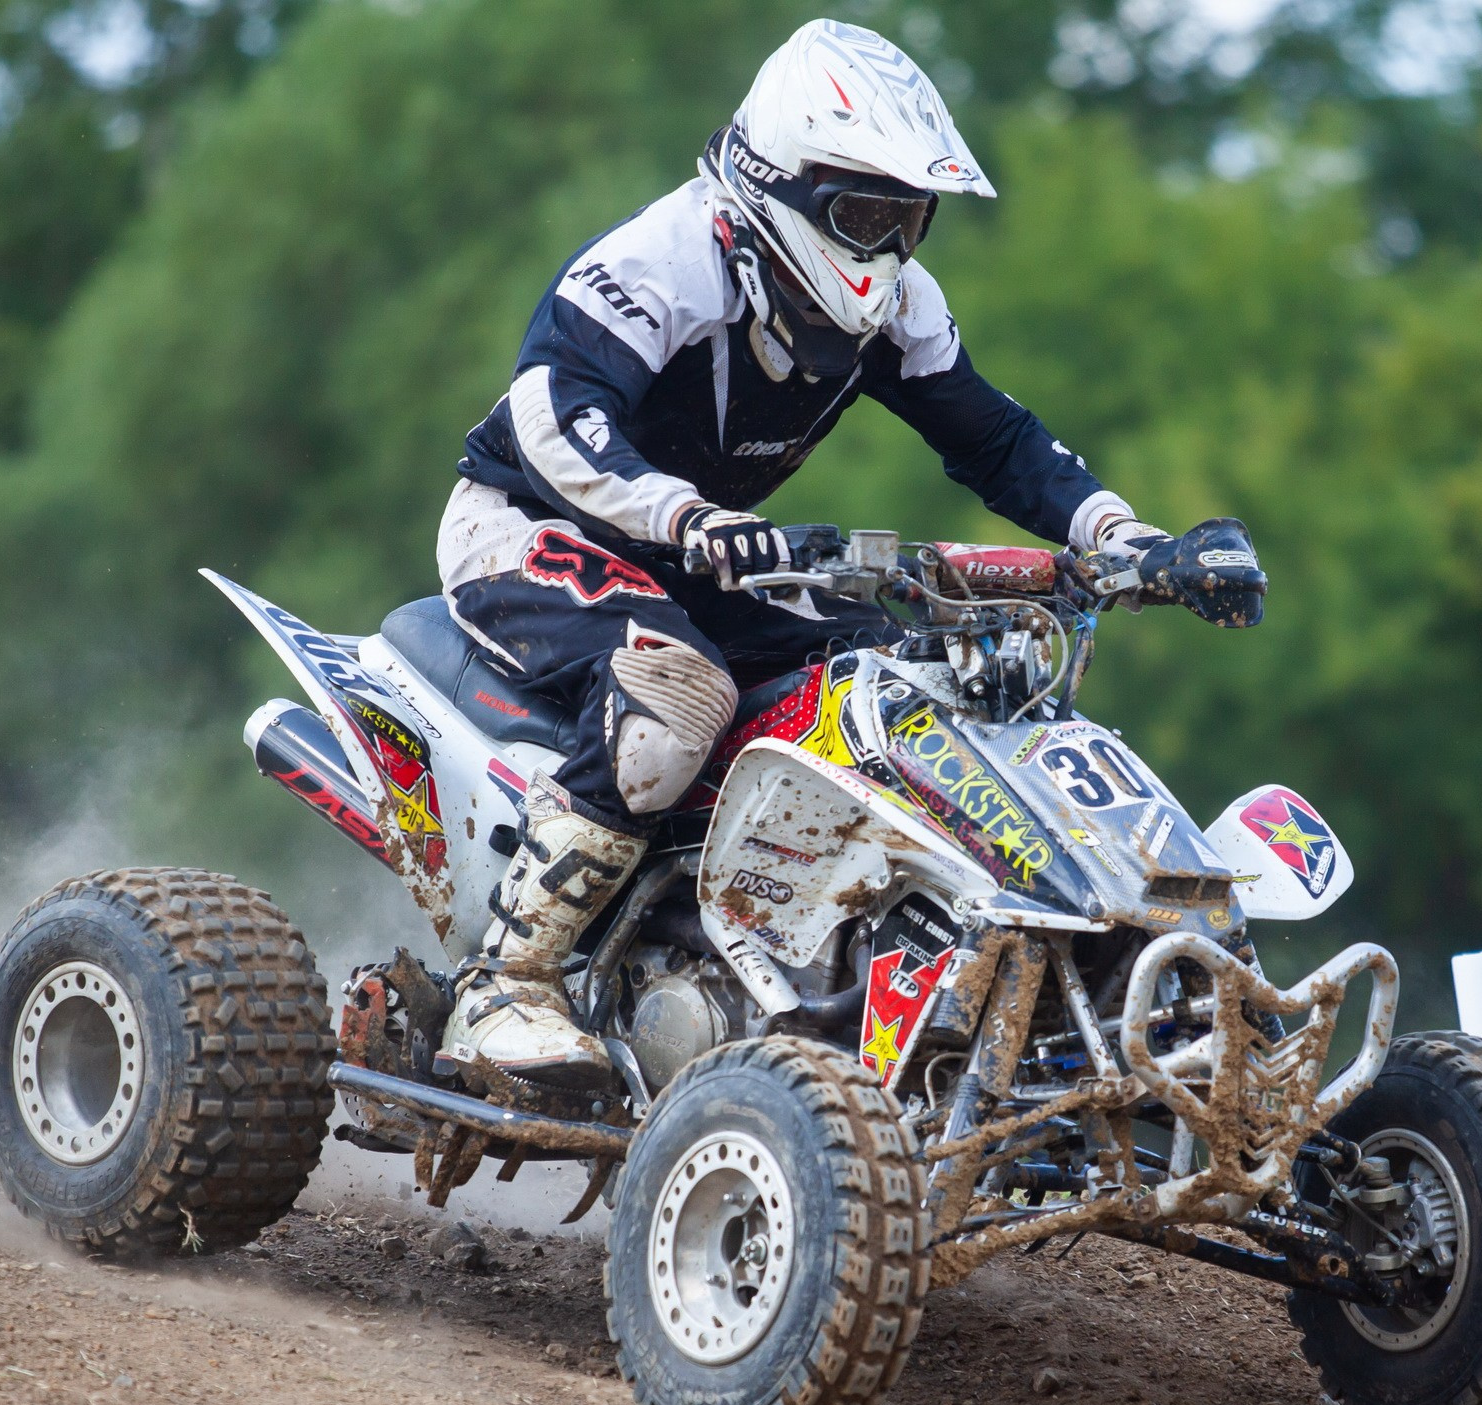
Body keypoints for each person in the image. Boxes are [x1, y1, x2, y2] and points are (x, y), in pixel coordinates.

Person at [433, 19, 1183, 1088]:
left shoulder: (896, 308)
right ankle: (506, 981)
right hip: (528, 527)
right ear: (779, 181)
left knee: (903, 674)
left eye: (908, 219)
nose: (887, 248)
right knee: (679, 693)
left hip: (696, 558)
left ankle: (805, 963)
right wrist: (683, 514)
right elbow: (550, 409)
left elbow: (999, 442)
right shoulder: (666, 257)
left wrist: (1127, 539)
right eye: (866, 213)